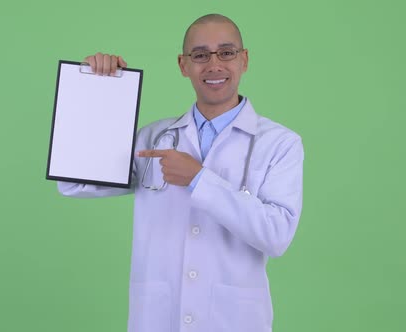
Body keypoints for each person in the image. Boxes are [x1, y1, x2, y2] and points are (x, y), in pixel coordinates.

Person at [57, 13, 304, 332]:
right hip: (159, 318)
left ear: (244, 60)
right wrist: (96, 90)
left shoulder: (280, 143)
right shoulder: (154, 138)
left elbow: (277, 235)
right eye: (200, 55)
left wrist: (199, 179)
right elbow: (74, 181)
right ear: (183, 65)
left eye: (226, 53)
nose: (214, 65)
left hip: (233, 321)